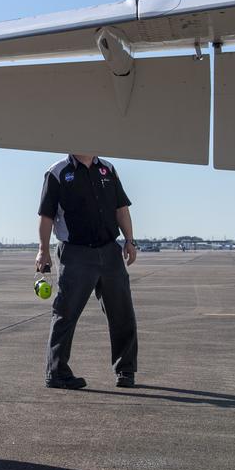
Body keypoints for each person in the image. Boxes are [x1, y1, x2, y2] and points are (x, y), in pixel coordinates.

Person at [36, 154, 139, 390]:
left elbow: (121, 209)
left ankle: (126, 370)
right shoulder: (58, 171)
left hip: (110, 251)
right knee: (65, 312)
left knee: (122, 313)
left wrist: (130, 241)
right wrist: (43, 250)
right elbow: (46, 215)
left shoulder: (108, 169)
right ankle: (57, 372)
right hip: (76, 253)